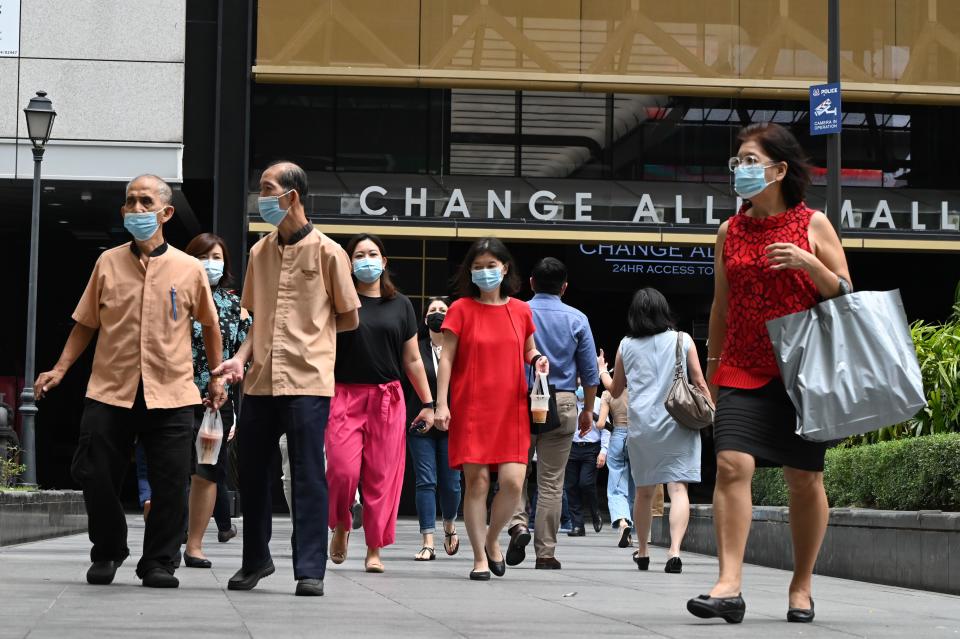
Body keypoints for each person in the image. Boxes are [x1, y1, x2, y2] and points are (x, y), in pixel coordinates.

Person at [687, 122, 852, 624]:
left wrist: (809, 263)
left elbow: (845, 295)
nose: (741, 169)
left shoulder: (813, 224)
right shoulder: (729, 231)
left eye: (751, 161)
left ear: (780, 170)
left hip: (803, 372)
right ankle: (729, 585)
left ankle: (801, 585)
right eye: (737, 162)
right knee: (733, 464)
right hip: (741, 364)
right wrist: (712, 372)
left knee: (804, 478)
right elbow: (721, 306)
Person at [34, 175, 226, 588]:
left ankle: (159, 562)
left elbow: (211, 326)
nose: (136, 209)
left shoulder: (189, 268)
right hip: (110, 389)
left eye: (145, 201)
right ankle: (108, 550)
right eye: (130, 202)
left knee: (172, 482)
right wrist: (61, 368)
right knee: (94, 473)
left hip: (172, 392)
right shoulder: (107, 262)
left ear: (166, 212)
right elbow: (85, 324)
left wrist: (216, 377)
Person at [213, 161, 361, 597]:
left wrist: (312, 334)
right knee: (254, 472)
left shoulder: (329, 252)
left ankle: (310, 567)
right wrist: (239, 359)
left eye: (267, 189)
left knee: (308, 473)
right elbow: (257, 320)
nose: (260, 198)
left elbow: (349, 318)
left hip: (308, 378)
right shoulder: (259, 252)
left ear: (292, 196)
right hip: (259, 380)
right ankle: (256, 560)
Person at [434, 238, 550, 581]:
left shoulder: (521, 310)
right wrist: (441, 403)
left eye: (491, 265)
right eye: (478, 266)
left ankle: (493, 539)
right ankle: (479, 557)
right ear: (470, 270)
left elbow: (529, 349)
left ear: (505, 268)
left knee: (514, 482)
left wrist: (537, 359)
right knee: (478, 482)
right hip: (471, 406)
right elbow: (447, 360)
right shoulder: (460, 309)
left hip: (512, 405)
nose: (485, 272)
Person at [326, 234, 435, 573]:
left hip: (388, 398)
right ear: (348, 261)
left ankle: (374, 549)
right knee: (342, 471)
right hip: (343, 394)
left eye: (373, 253)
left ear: (384, 261)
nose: (366, 260)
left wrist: (429, 402)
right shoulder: (338, 301)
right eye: (359, 254)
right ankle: (341, 524)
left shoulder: (401, 304)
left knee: (381, 477)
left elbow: (413, 359)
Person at [600, 288, 708, 575]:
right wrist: (711, 410)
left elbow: (617, 389)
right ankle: (674, 551)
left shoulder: (626, 345)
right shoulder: (683, 340)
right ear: (664, 311)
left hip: (642, 427)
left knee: (644, 493)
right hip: (678, 422)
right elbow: (698, 381)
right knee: (678, 488)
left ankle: (644, 552)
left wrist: (602, 373)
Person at [506, 257, 598, 570]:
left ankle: (518, 525)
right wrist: (587, 410)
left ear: (531, 282)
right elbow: (589, 373)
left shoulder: (517, 311)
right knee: (552, 481)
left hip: (520, 400)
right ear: (564, 287)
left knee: (517, 470)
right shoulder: (577, 319)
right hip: (563, 401)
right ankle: (545, 553)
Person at [181, 233, 250, 566]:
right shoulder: (175, 296)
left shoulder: (234, 305)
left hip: (216, 404)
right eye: (204, 256)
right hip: (174, 397)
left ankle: (194, 544)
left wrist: (228, 379)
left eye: (218, 257)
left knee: (208, 469)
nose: (211, 263)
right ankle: (172, 535)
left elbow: (245, 354)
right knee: (175, 468)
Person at [403, 297, 462, 561]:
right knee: (426, 481)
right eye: (432, 311)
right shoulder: (416, 348)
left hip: (453, 424)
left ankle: (449, 524)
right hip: (421, 424)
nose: (437, 314)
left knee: (451, 484)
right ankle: (427, 539)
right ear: (425, 318)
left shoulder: (459, 349)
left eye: (443, 310)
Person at [565, 385, 609, 537]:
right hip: (571, 448)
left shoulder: (598, 403)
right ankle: (577, 525)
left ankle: (595, 511)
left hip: (591, 448)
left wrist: (603, 451)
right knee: (570, 486)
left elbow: (606, 429)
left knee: (585, 482)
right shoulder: (569, 403)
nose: (579, 388)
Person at [597, 384, 634, 548]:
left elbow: (600, 424)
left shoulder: (608, 394)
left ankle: (623, 523)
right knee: (635, 486)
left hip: (618, 436)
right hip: (638, 436)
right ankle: (632, 532)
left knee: (617, 485)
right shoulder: (640, 390)